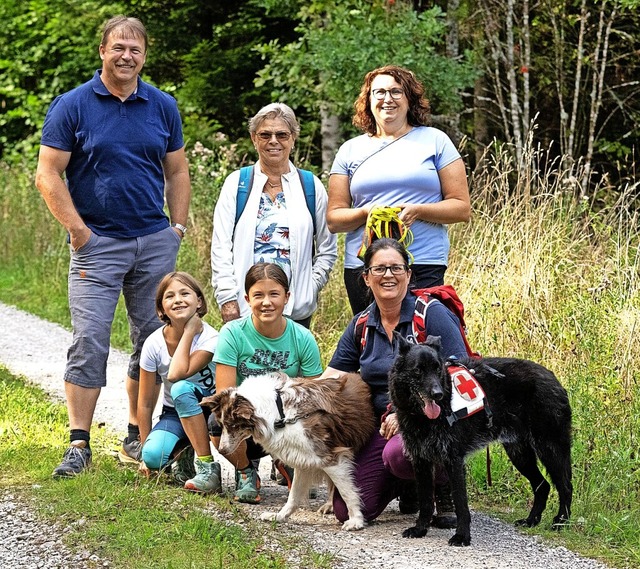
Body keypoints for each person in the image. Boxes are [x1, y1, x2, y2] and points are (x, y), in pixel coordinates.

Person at [34, 16, 191, 477]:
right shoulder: (73, 105)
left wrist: (176, 229)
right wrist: (81, 234)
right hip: (97, 246)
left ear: (145, 55)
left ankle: (137, 433)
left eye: (135, 50)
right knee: (90, 340)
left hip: (154, 242)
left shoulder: (162, 106)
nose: (127, 56)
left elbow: (177, 171)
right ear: (102, 51)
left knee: (154, 342)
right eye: (118, 47)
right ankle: (79, 443)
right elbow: (48, 174)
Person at [321, 238, 469, 526]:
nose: (388, 275)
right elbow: (332, 378)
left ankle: (442, 485)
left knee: (400, 455)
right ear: (366, 278)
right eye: (379, 269)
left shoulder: (431, 314)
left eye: (396, 268)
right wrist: (290, 402)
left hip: (431, 418)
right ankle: (407, 484)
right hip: (380, 425)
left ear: (409, 275)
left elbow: (461, 370)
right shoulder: (362, 324)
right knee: (346, 511)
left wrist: (404, 414)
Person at [327, 65, 471, 315]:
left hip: (422, 263)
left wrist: (418, 210)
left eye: (396, 92)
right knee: (371, 343)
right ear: (368, 100)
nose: (387, 99)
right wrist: (367, 213)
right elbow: (334, 219)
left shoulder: (435, 141)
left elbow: (461, 208)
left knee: (419, 345)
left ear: (409, 99)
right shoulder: (350, 150)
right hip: (366, 266)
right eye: (379, 92)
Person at [211, 103, 337, 329]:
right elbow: (220, 246)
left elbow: (328, 248)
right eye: (265, 134)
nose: (273, 141)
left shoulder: (310, 185)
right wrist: (228, 297)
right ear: (253, 138)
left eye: (282, 134)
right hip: (245, 306)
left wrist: (310, 286)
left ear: (293, 138)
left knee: (290, 365)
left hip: (295, 308)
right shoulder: (237, 184)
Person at [211, 263, 323, 503]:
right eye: (258, 295)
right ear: (247, 299)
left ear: (287, 297)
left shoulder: (302, 337)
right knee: (214, 422)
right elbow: (225, 394)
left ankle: (288, 462)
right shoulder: (232, 333)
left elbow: (314, 396)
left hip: (287, 422)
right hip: (246, 418)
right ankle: (246, 472)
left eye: (274, 294)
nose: (266, 302)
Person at [137, 272, 221, 494]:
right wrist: (144, 453)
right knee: (153, 456)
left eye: (185, 293)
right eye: (169, 296)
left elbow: (177, 373)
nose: (178, 300)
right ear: (161, 308)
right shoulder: (153, 343)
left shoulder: (211, 338)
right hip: (174, 412)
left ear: (199, 301)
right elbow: (145, 403)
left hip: (210, 411)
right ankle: (184, 454)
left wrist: (190, 330)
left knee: (180, 388)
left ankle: (208, 468)